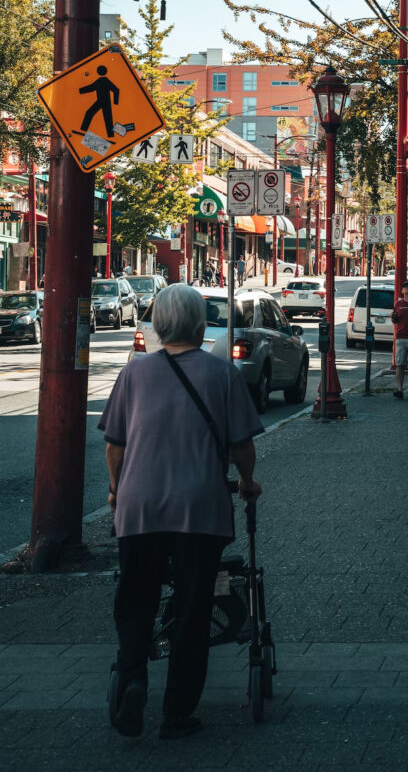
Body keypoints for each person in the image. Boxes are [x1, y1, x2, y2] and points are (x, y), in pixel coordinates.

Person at [99, 284, 263, 740]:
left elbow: (116, 445)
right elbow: (241, 446)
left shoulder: (134, 374)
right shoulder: (222, 374)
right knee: (193, 608)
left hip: (140, 507)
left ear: (158, 323)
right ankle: (177, 712)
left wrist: (116, 490)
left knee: (135, 600)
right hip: (199, 508)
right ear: (197, 321)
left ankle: (132, 680)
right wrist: (247, 483)